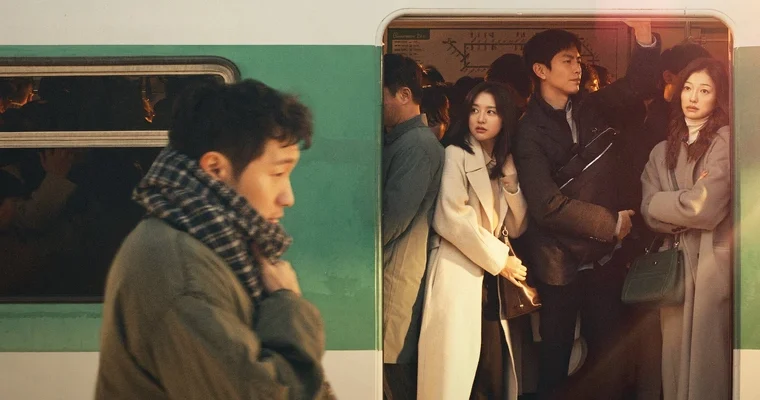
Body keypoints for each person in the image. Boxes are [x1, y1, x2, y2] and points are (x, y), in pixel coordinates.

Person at [95, 79, 333, 399]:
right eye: (277, 173)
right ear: (215, 168)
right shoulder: (182, 275)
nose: (288, 197)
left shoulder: (207, 244)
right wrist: (288, 305)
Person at [513, 21, 660, 399]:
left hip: (603, 259)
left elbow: (639, 85)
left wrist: (644, 37)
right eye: (567, 61)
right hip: (557, 261)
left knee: (608, 355)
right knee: (555, 359)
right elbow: (547, 205)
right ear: (541, 70)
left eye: (578, 60)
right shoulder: (527, 130)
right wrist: (611, 223)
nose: (577, 68)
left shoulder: (593, 107)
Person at [417, 81, 529, 400]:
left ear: (505, 118)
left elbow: (517, 227)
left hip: (488, 280)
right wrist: (501, 260)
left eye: (491, 112)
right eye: (475, 110)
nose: (480, 119)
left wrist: (511, 182)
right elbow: (450, 216)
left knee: (489, 371)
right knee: (455, 373)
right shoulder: (455, 153)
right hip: (458, 269)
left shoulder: (501, 161)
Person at [640, 57, 731, 400]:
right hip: (675, 266)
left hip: (711, 263)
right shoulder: (661, 150)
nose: (693, 97)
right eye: (688, 88)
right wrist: (683, 204)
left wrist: (664, 203)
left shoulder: (724, 140)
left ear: (718, 97)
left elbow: (704, 208)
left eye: (705, 90)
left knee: (708, 360)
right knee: (675, 357)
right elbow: (647, 211)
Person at [382, 53, 444, 400]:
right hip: (393, 276)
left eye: (380, 95)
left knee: (394, 381)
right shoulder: (404, 141)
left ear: (404, 95)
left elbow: (393, 218)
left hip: (396, 280)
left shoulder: (416, 145)